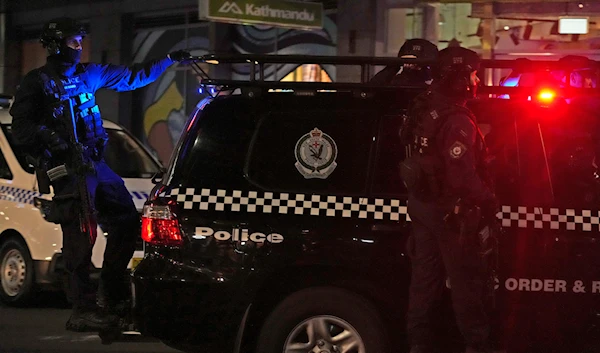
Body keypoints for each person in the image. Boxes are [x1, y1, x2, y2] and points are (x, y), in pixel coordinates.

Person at [9, 17, 191, 332]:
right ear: (55, 45)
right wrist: (53, 139)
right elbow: (21, 128)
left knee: (126, 220)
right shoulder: (37, 83)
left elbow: (134, 76)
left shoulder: (89, 74)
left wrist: (169, 60)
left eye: (80, 41)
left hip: (95, 165)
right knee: (81, 238)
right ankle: (82, 309)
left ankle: (112, 295)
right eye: (72, 41)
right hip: (67, 169)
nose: (78, 47)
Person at [400, 46, 500, 353]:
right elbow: (461, 178)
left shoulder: (425, 105)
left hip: (422, 206)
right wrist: (489, 200)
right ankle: (477, 346)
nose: (477, 81)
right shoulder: (457, 120)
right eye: (473, 74)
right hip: (450, 215)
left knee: (424, 285)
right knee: (467, 285)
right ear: (460, 79)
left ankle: (418, 345)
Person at [370, 38, 438, 86]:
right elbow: (372, 88)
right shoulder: (397, 81)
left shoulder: (434, 83)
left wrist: (422, 66)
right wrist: (396, 64)